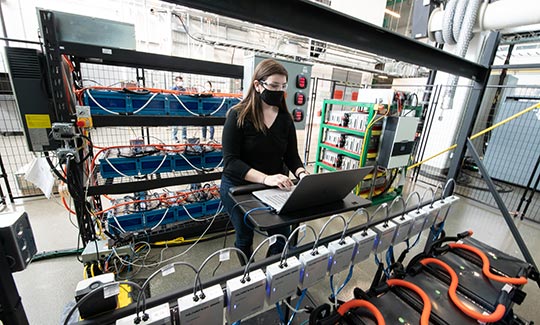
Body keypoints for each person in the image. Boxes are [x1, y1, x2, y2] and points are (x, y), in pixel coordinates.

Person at [220, 59, 309, 261]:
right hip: (238, 188)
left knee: (282, 236)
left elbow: (291, 156)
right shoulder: (238, 116)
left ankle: (272, 275)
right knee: (244, 236)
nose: (279, 91)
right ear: (258, 85)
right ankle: (248, 276)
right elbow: (231, 162)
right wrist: (266, 178)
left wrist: (302, 174)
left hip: (272, 188)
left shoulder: (285, 119)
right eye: (274, 86)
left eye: (283, 86)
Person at [171, 76, 187, 142]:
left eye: (181, 81)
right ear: (176, 82)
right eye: (179, 81)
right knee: (175, 124)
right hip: (175, 109)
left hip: (182, 108)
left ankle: (184, 137)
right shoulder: (173, 89)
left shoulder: (184, 90)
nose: (181, 82)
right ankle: (174, 137)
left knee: (184, 124)